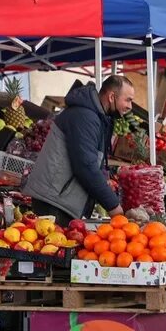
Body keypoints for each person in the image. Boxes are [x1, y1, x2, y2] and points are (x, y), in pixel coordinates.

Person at [23, 76, 133, 223]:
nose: (130, 106)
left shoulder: (97, 117)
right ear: (112, 96)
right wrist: (113, 206)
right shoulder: (85, 116)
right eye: (128, 100)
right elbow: (85, 166)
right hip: (54, 201)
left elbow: (94, 161)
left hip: (60, 198)